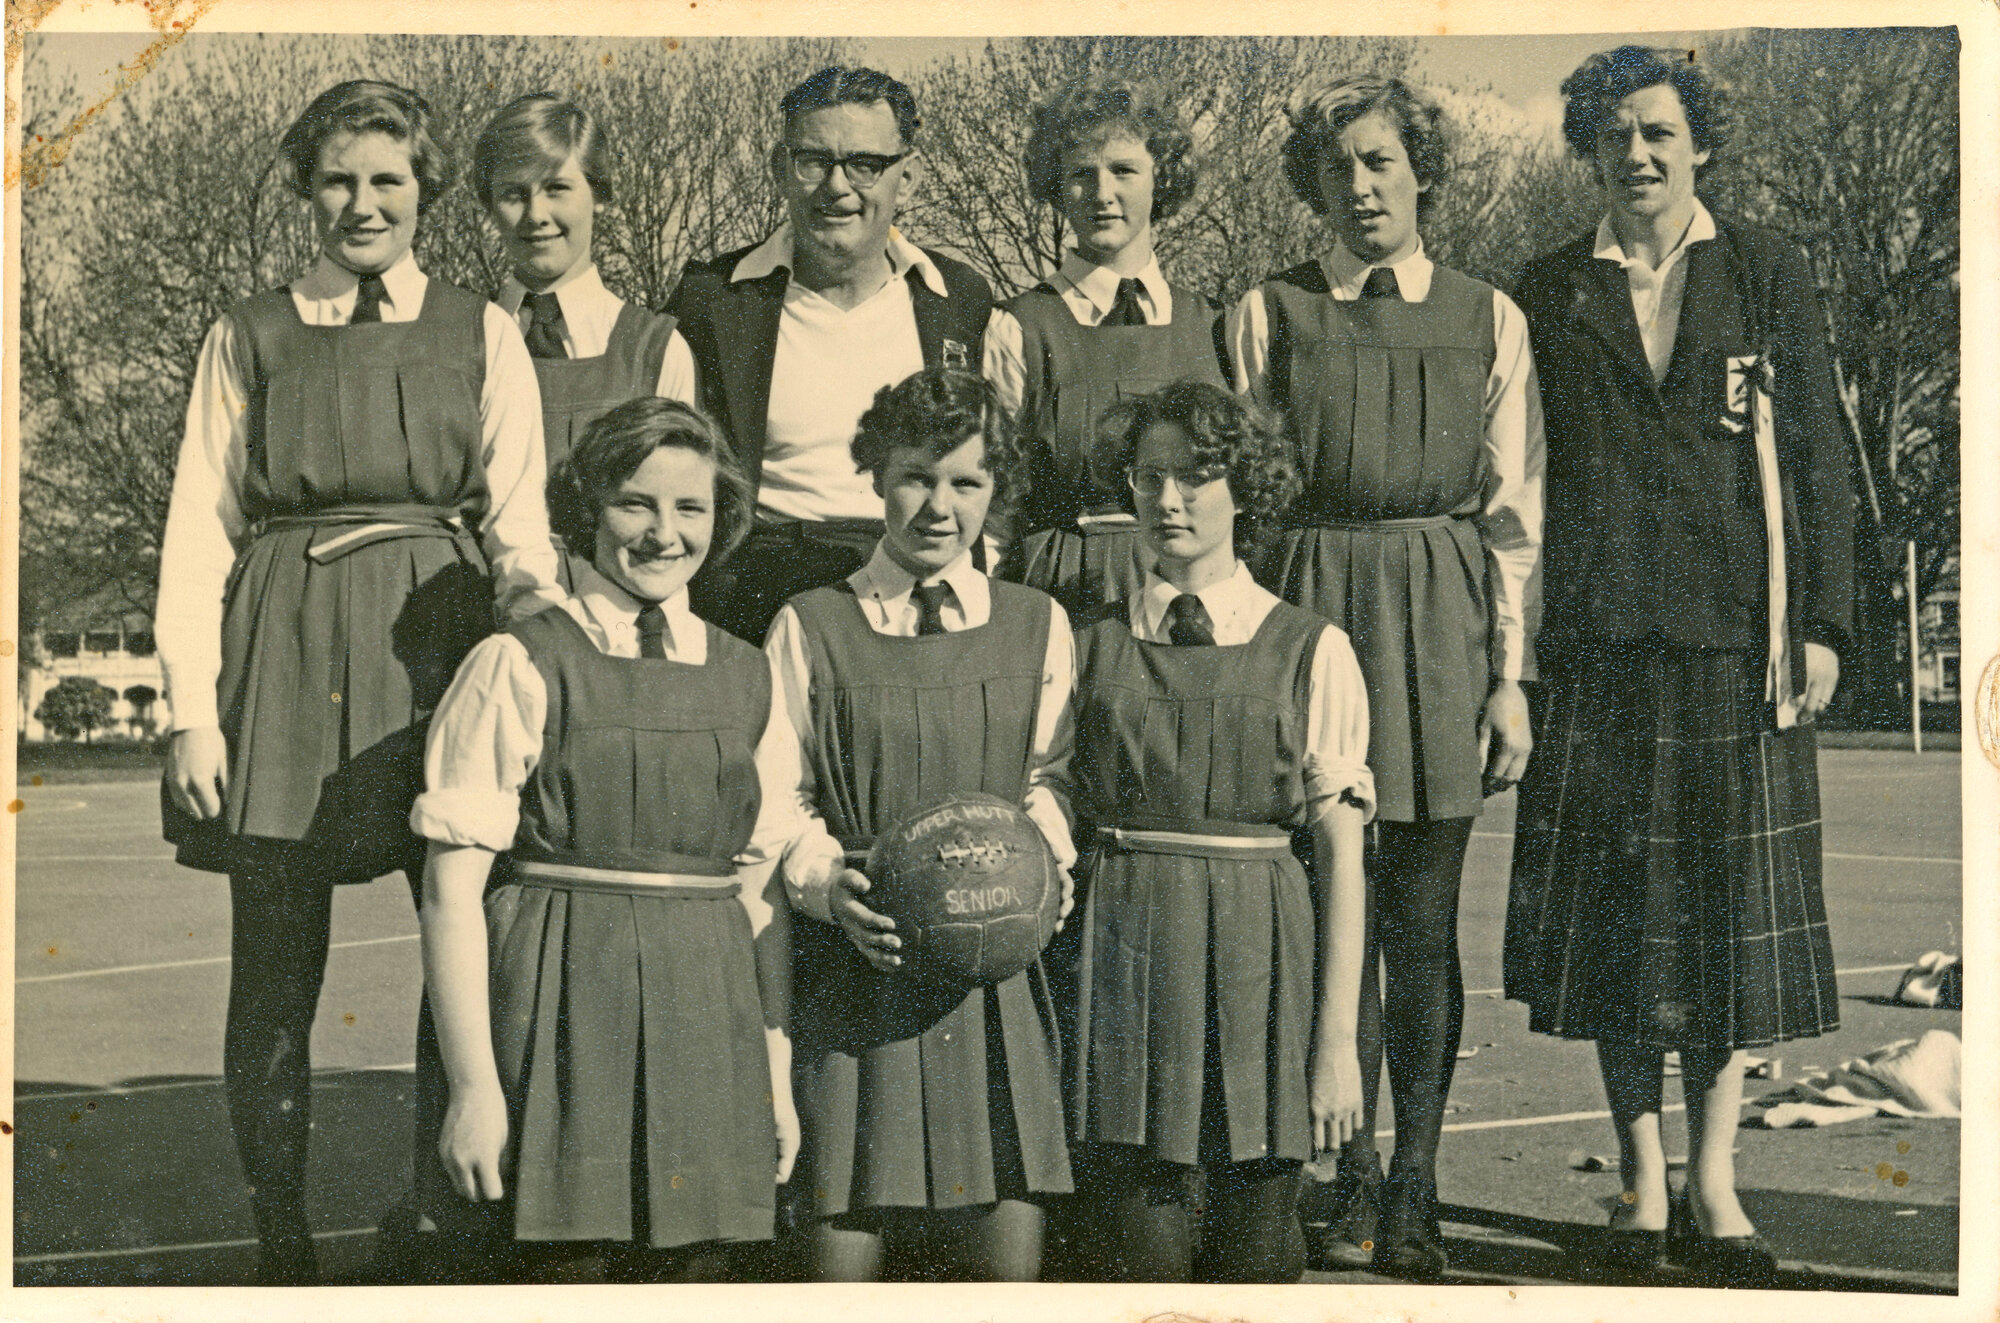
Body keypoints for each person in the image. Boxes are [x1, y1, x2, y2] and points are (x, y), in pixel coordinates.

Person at [154, 80, 560, 1283]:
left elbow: (523, 521)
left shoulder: (482, 328)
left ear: (426, 190)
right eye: (338, 179)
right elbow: (195, 529)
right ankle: (279, 1234)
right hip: (277, 649)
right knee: (274, 968)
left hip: (433, 646)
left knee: (461, 935)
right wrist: (189, 708)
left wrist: (536, 640)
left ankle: (439, 1212)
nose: (362, 203)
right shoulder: (248, 331)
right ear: (304, 189)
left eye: (387, 179)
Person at [1501, 46, 1853, 1286]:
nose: (1635, 155)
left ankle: (1714, 1185)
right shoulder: (1546, 289)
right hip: (1598, 658)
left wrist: (1822, 625)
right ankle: (1639, 1186)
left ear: (1698, 143)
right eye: (1611, 136)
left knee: (1719, 940)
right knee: (1617, 941)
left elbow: (1816, 463)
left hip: (1730, 656)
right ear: (1587, 153)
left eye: (1656, 132)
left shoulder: (1764, 270)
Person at [1229, 74, 1543, 1280]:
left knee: (1416, 925)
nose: (1361, 189)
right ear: (1312, 186)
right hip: (1310, 607)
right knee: (1320, 923)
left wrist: (1507, 679)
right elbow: (1243, 507)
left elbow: (1512, 518)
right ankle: (1339, 1174)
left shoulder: (1489, 317)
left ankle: (1414, 1183)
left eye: (1381, 163)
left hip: (1437, 616)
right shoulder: (1268, 314)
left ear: (1421, 173)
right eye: (1338, 169)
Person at [411, 398, 800, 1282]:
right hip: (555, 1010)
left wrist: (773, 1075)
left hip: (710, 1016)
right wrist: (474, 1087)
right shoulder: (517, 659)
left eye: (690, 507)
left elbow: (760, 888)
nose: (665, 533)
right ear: (587, 507)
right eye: (636, 502)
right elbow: (450, 893)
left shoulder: (747, 672)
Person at [764, 367, 1075, 1281]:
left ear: (996, 492)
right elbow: (779, 797)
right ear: (875, 475)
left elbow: (1051, 777)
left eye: (966, 482)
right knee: (840, 1271)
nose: (939, 506)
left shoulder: (1038, 622)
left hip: (992, 981)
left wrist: (1039, 873)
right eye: (916, 476)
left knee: (1000, 1277)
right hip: (860, 974)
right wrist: (829, 887)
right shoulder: (810, 622)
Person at [1065, 381, 1372, 1283]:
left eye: (1196, 476)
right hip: (1122, 969)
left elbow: (1343, 865)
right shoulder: (1084, 644)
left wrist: (1337, 1045)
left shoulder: (1314, 647)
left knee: (1257, 1258)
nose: (1169, 501)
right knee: (1137, 1251)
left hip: (1259, 976)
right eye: (1149, 476)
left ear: (1245, 486)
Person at [670, 66, 994, 644]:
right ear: (779, 170)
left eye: (865, 164)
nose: (837, 188)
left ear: (910, 177)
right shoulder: (713, 299)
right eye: (813, 161)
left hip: (913, 579)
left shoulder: (959, 301)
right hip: (758, 587)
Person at [984, 72, 1228, 619]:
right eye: (1080, 174)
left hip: (1192, 588)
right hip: (1059, 588)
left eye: (1123, 170)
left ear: (1160, 178)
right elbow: (994, 508)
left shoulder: (1214, 325)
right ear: (1055, 185)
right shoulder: (1019, 327)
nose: (1102, 194)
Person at [472, 92, 699, 471]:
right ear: (488, 205)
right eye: (513, 194)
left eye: (557, 188)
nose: (536, 215)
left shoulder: (655, 352)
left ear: (599, 194)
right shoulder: (461, 339)